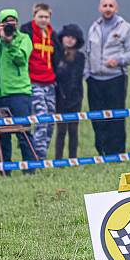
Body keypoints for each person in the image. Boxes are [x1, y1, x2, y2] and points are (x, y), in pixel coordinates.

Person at [0, 9, 38, 166]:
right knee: (0, 134)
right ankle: (5, 169)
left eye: (13, 22)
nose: (10, 26)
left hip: (19, 93)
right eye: (6, 23)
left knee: (23, 132)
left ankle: (30, 168)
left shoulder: (24, 39)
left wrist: (9, 42)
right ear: (0, 24)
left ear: (17, 23)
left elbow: (21, 59)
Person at [84, 0, 130, 155]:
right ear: (100, 8)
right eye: (104, 5)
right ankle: (101, 152)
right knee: (97, 118)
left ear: (116, 8)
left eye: (111, 6)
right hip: (94, 80)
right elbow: (88, 52)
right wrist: (87, 74)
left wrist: (120, 60)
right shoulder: (94, 27)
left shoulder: (125, 27)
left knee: (116, 118)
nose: (107, 8)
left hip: (115, 78)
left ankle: (117, 152)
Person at [20, 3, 61, 159]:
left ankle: (42, 156)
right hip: (33, 82)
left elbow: (57, 57)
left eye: (46, 17)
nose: (44, 20)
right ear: (34, 16)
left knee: (50, 121)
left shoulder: (52, 35)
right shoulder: (26, 32)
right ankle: (34, 157)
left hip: (50, 83)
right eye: (40, 16)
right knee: (41, 117)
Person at [55, 24, 85, 159]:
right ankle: (58, 159)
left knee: (73, 130)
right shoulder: (56, 55)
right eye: (67, 37)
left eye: (73, 38)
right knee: (60, 130)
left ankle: (73, 158)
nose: (69, 40)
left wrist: (74, 96)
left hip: (75, 97)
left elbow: (77, 76)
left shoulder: (80, 57)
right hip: (59, 97)